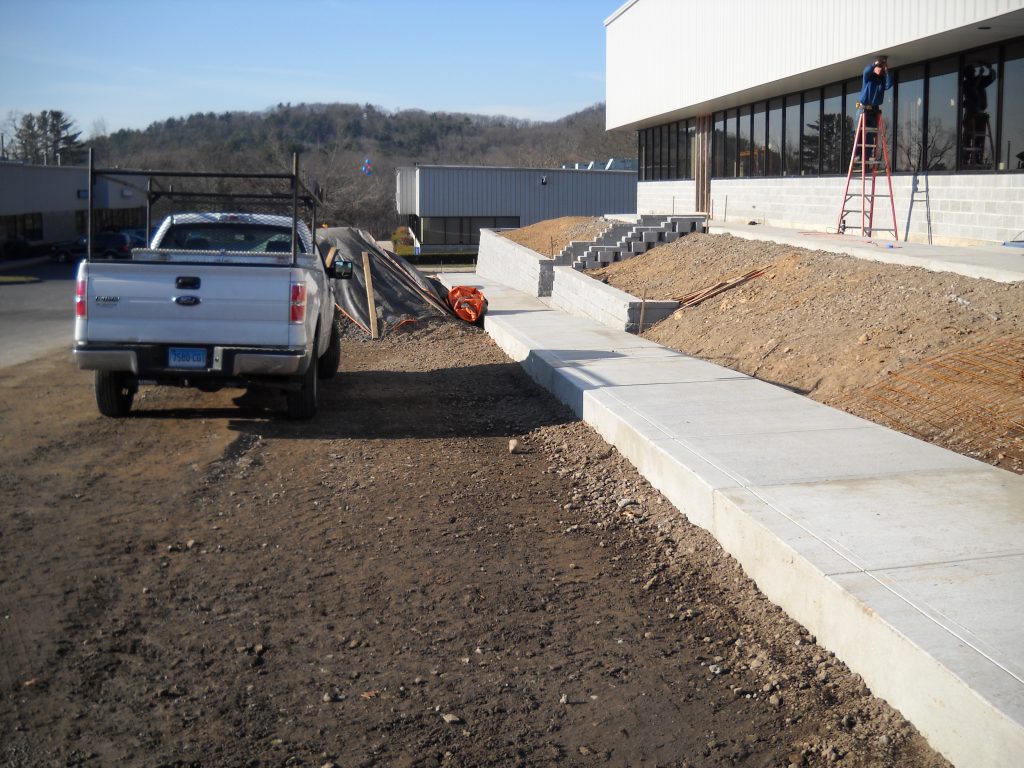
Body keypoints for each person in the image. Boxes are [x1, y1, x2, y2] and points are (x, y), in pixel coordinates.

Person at [856, 56, 893, 161]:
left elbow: (889, 84)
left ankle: (866, 156)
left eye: (881, 67)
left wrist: (886, 70)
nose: (880, 68)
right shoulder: (868, 78)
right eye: (879, 67)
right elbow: (866, 71)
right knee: (859, 133)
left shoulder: (882, 81)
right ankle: (858, 154)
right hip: (863, 107)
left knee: (871, 134)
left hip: (874, 110)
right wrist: (875, 63)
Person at [961, 62, 997, 166]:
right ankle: (965, 160)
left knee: (979, 138)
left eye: (973, 72)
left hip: (980, 115)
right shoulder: (966, 84)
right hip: (970, 115)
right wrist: (981, 75)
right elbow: (973, 89)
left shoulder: (978, 81)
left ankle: (976, 159)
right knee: (967, 138)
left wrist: (990, 69)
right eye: (971, 72)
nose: (973, 73)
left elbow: (992, 78)